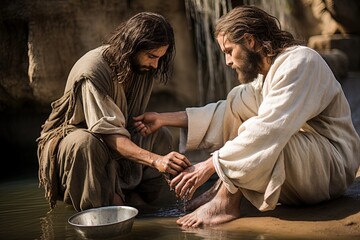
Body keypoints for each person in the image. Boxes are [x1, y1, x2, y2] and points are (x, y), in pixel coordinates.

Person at [133, 6, 360, 227]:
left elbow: (269, 129)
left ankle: (225, 202)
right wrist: (163, 119)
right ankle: (219, 190)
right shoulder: (266, 75)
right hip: (308, 168)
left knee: (258, 131)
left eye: (229, 51)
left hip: (332, 168)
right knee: (243, 113)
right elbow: (228, 110)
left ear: (250, 41)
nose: (228, 62)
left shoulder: (300, 62)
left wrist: (210, 165)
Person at [37, 12, 191, 212]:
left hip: (114, 136)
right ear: (133, 46)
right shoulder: (93, 70)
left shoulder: (141, 69)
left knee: (160, 134)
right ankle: (99, 209)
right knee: (85, 143)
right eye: (152, 56)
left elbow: (123, 125)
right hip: (78, 144)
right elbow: (107, 134)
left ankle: (139, 201)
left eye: (159, 58)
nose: (155, 65)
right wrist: (157, 160)